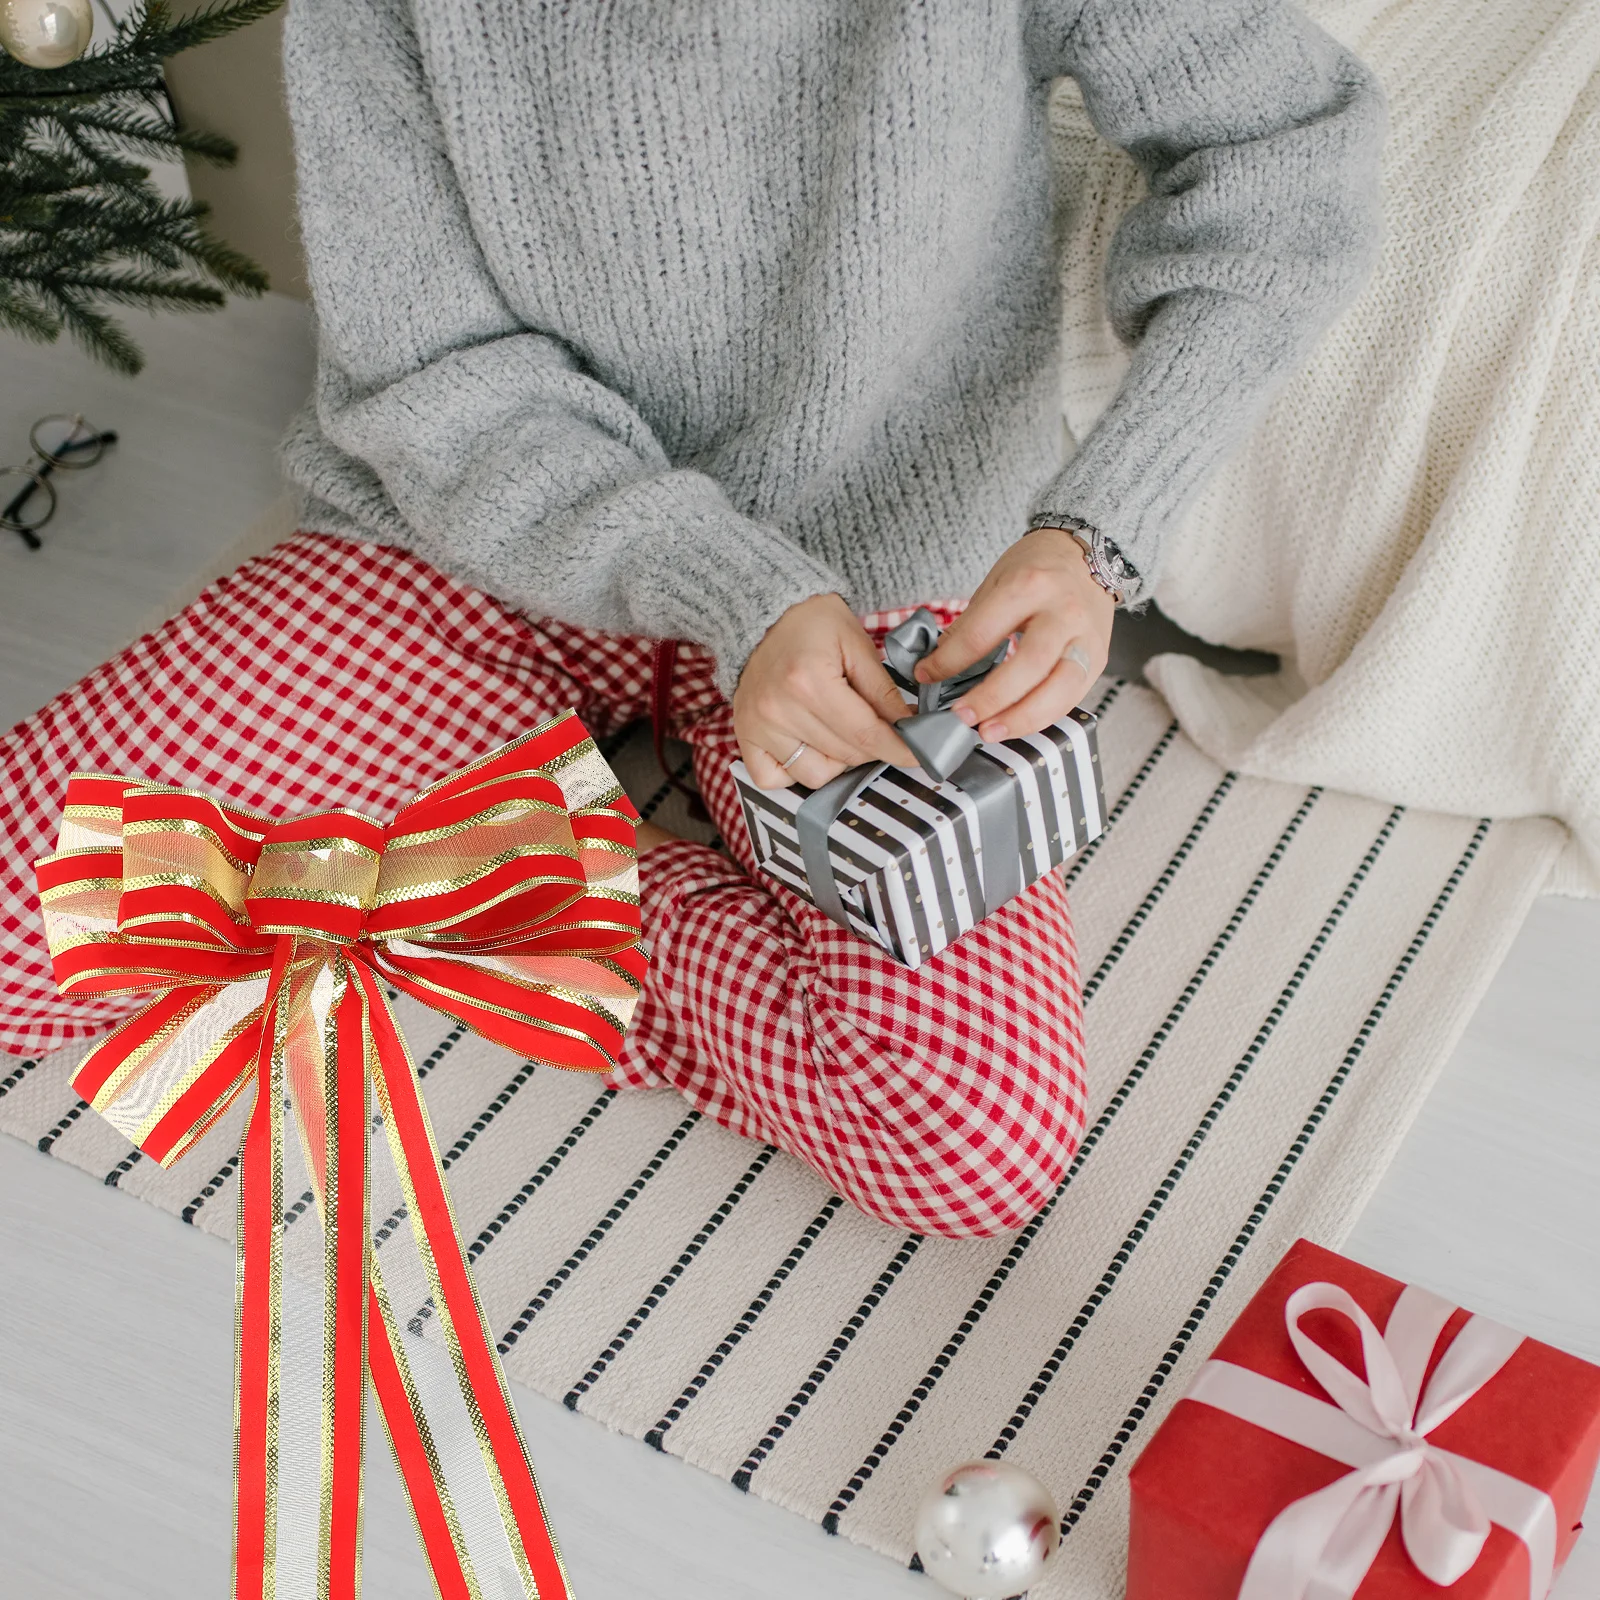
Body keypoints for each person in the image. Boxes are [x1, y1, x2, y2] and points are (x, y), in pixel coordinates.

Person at [0, 0, 1383, 1238]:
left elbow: (1282, 150)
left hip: (880, 568)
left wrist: (1101, 527)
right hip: (476, 539)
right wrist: (727, 589)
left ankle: (445, 856)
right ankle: (467, 845)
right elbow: (430, 369)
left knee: (970, 1139)